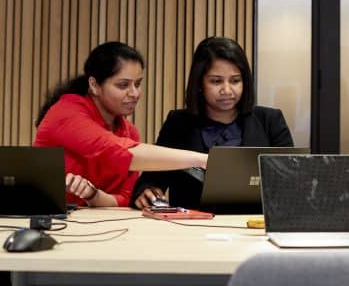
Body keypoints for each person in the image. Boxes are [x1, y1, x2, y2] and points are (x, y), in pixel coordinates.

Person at [34, 41, 207, 207]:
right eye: (123, 85)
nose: (135, 93)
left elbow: (124, 199)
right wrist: (202, 159)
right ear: (94, 85)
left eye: (138, 84)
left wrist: (92, 195)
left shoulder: (129, 132)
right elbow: (117, 151)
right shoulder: (65, 112)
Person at [131, 36, 294, 209]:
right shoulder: (179, 123)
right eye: (216, 81)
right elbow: (151, 180)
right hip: (192, 228)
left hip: (254, 227)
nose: (227, 90)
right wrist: (148, 191)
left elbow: (292, 180)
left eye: (235, 80)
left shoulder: (270, 121)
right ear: (200, 83)